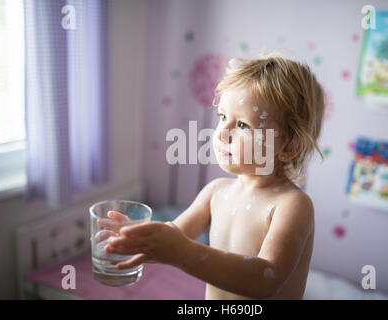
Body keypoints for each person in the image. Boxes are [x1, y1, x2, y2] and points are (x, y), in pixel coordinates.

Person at [101, 53, 325, 299]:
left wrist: (182, 252)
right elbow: (174, 234)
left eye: (242, 125)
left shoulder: (292, 205)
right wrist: (138, 238)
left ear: (289, 147)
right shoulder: (216, 191)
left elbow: (266, 279)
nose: (221, 132)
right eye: (222, 117)